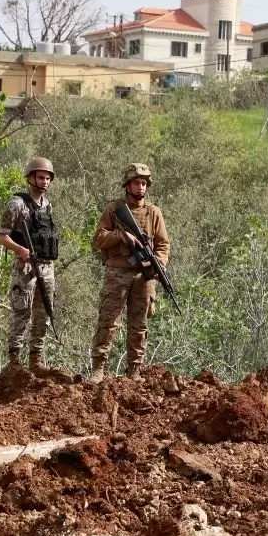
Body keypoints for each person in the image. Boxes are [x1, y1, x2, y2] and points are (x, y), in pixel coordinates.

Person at [86, 163, 170, 383]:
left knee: (139, 324)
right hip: (117, 273)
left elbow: (163, 244)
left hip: (144, 276)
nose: (140, 187)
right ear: (127, 185)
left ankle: (134, 369)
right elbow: (98, 239)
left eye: (144, 183)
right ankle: (98, 368)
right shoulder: (114, 210)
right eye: (136, 183)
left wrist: (158, 263)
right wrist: (121, 236)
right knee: (109, 321)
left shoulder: (153, 213)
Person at [0, 157, 60, 369]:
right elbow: (2, 236)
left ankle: (36, 359)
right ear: (31, 177)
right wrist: (20, 250)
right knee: (21, 311)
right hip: (25, 267)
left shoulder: (47, 205)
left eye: (48, 178)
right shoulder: (17, 204)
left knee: (44, 314)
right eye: (41, 177)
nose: (45, 182)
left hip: (46, 267)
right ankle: (14, 361)